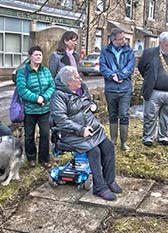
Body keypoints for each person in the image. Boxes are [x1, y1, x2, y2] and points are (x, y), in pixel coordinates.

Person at [50, 66, 122, 201]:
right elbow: (61, 119)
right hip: (70, 133)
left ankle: (110, 181)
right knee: (94, 151)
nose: (80, 79)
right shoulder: (58, 95)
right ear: (68, 82)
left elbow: (88, 103)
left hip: (91, 128)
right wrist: (80, 130)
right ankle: (99, 188)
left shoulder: (81, 88)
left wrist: (93, 106)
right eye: (77, 78)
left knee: (108, 146)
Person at [138, 31, 168, 147]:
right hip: (154, 91)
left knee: (167, 116)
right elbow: (141, 67)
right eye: (167, 45)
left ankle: (163, 136)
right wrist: (150, 80)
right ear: (160, 43)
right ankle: (148, 138)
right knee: (150, 116)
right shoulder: (149, 53)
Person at [16, 46, 55, 168]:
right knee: (29, 135)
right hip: (30, 110)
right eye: (36, 55)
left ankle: (44, 159)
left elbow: (52, 86)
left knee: (44, 134)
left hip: (44, 109)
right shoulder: (23, 72)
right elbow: (22, 90)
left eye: (40, 55)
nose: (39, 57)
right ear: (30, 56)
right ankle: (31, 157)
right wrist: (36, 98)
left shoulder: (46, 71)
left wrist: (44, 97)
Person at [99, 28, 135, 151]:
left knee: (124, 115)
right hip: (111, 89)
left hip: (125, 88)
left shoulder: (129, 50)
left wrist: (119, 76)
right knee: (112, 114)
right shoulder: (105, 51)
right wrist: (112, 76)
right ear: (114, 39)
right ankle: (113, 140)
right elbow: (102, 67)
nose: (124, 40)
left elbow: (130, 67)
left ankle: (124, 142)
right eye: (121, 39)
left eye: (124, 38)